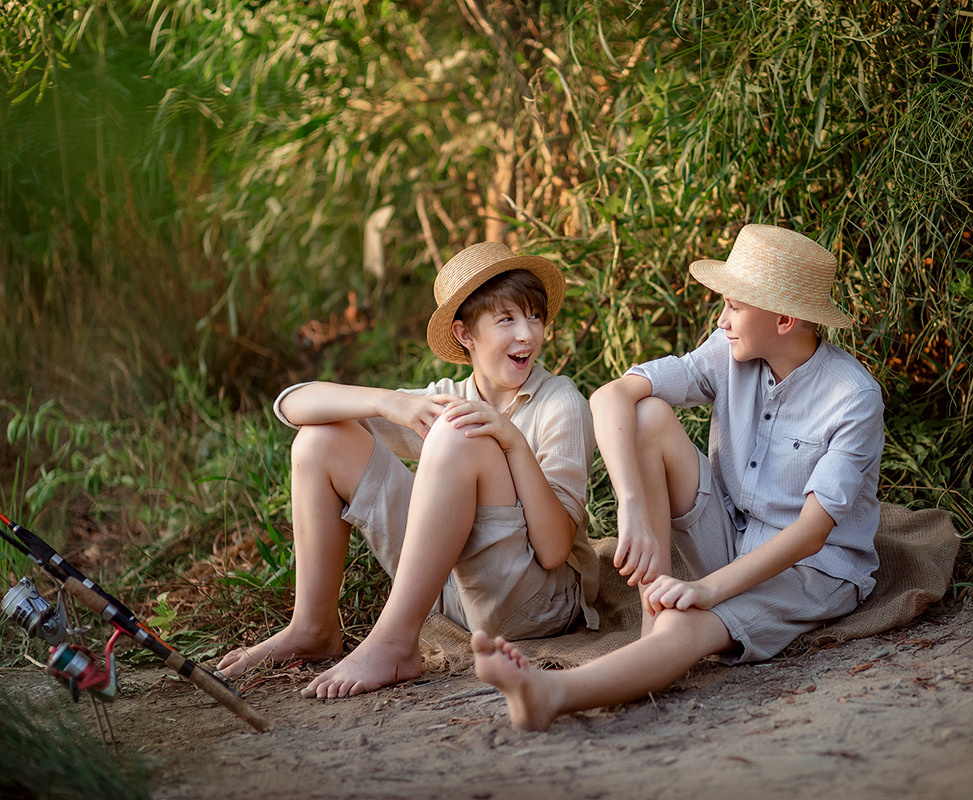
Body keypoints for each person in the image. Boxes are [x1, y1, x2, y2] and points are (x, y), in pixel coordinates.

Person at [472, 224, 884, 730]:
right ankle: (652, 625)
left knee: (686, 624)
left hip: (812, 569)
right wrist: (632, 505)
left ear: (784, 318)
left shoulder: (852, 399)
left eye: (735, 306)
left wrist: (709, 589)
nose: (722, 318)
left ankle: (551, 693)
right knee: (647, 415)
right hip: (734, 536)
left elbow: (811, 533)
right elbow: (612, 395)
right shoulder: (729, 351)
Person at [217, 241, 599, 699]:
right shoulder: (443, 396)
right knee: (320, 441)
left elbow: (556, 549)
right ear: (465, 334)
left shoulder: (561, 402)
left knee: (459, 431)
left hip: (536, 604)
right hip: (453, 595)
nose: (527, 335)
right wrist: (389, 402)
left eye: (535, 317)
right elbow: (293, 404)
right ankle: (313, 628)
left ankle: (396, 642)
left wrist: (512, 442)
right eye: (507, 320)